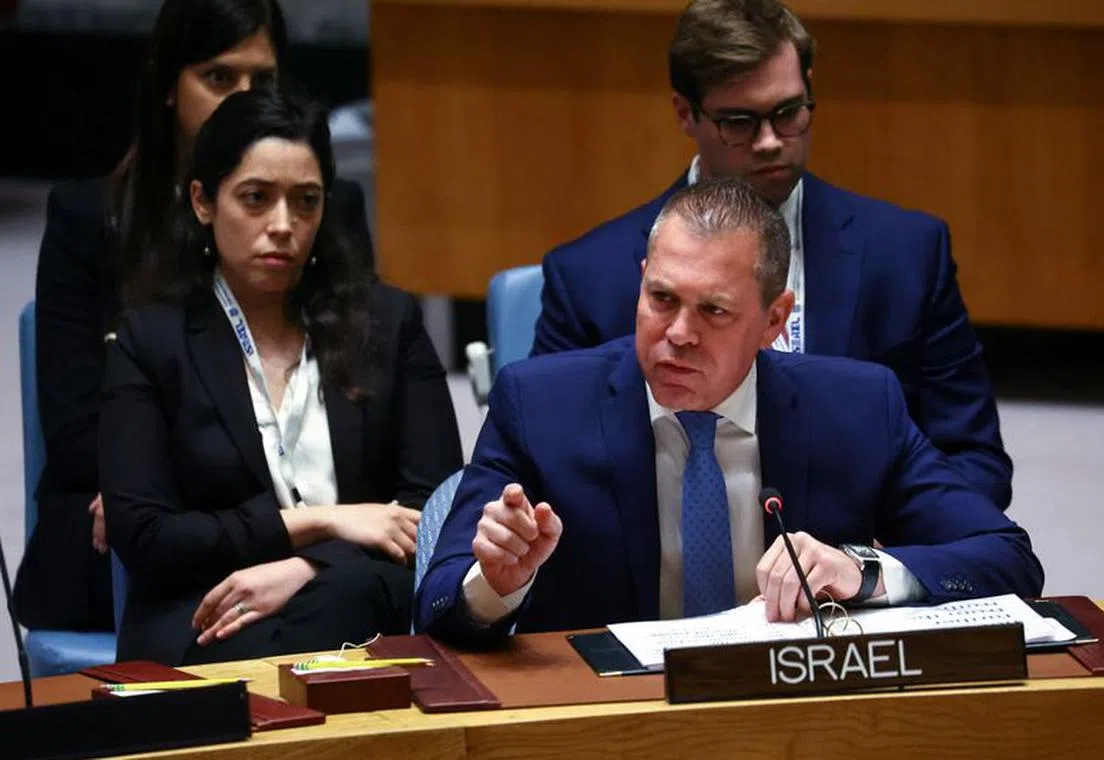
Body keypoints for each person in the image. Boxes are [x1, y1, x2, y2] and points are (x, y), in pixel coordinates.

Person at [417, 178, 1042, 647]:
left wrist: (862, 571)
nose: (679, 333)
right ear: (641, 281)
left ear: (775, 320)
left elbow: (1007, 557)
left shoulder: (857, 406)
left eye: (714, 311)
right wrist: (495, 583)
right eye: (661, 298)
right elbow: (438, 601)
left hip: (793, 714)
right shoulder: (539, 404)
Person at [530, 0, 1012, 512]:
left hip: (854, 574)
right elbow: (544, 459)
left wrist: (878, 560)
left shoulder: (908, 255)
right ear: (684, 114)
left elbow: (973, 459)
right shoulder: (588, 277)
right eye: (739, 122)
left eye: (788, 113)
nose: (769, 142)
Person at [14, 0, 373, 632]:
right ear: (168, 88)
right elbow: (73, 439)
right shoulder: (89, 219)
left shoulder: (329, 211)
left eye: (261, 81)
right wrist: (154, 496)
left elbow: (358, 394)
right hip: (135, 521)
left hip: (293, 508)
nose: (241, 101)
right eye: (218, 78)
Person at [101, 89, 462, 665]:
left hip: (360, 599)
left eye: (305, 201)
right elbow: (147, 537)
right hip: (208, 612)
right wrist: (315, 522)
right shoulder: (151, 343)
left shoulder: (386, 324)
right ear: (203, 201)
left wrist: (308, 566)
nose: (283, 225)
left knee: (345, 602)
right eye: (255, 198)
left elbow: (437, 507)